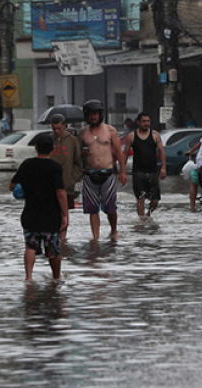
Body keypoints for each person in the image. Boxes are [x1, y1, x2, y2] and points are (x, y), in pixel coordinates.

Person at [10, 133, 69, 281]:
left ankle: (28, 278)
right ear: (53, 149)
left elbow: (12, 186)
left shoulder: (27, 164)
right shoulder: (55, 168)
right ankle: (56, 278)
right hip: (51, 216)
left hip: (30, 214)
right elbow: (60, 192)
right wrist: (65, 214)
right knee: (53, 250)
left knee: (30, 247)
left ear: (35, 147)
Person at [77, 99, 127, 241]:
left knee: (111, 207)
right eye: (90, 114)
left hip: (108, 172)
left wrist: (122, 172)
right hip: (90, 173)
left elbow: (119, 152)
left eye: (96, 114)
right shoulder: (82, 133)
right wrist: (82, 155)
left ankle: (114, 230)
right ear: (86, 116)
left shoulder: (110, 131)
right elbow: (77, 154)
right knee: (92, 208)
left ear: (100, 114)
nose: (93, 117)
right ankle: (95, 237)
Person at [122, 112, 167, 217]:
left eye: (148, 121)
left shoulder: (155, 135)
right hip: (138, 172)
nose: (146, 123)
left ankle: (148, 215)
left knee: (155, 199)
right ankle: (141, 220)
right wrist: (122, 171)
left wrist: (163, 168)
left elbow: (162, 152)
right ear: (138, 122)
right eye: (144, 121)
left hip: (153, 172)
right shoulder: (132, 136)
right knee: (140, 198)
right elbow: (125, 153)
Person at [48, 114, 84, 243]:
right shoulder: (48, 139)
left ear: (64, 126)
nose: (56, 131)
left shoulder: (72, 141)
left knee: (64, 213)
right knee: (51, 214)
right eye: (54, 128)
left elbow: (78, 163)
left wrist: (72, 178)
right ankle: (54, 237)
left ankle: (62, 240)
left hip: (67, 184)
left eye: (59, 128)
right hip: (49, 185)